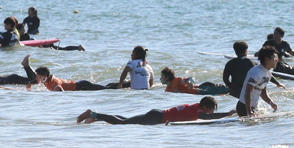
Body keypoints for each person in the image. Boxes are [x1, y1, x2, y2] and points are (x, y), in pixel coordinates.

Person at [76, 96, 232, 125]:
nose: (211, 112)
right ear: (205, 107)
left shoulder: (196, 107)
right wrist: (229, 114)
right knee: (121, 123)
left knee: (126, 120)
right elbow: (207, 118)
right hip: (156, 118)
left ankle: (96, 117)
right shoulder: (197, 111)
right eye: (211, 109)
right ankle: (92, 114)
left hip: (156, 114)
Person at [26, 56, 116, 91]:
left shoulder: (54, 82)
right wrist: (30, 83)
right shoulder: (46, 80)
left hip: (83, 86)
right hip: (80, 85)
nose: (37, 79)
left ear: (44, 76)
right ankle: (118, 85)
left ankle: (123, 85)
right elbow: (37, 81)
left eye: (38, 77)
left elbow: (60, 89)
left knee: (106, 89)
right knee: (104, 87)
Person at [239, 46, 279, 117]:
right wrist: (249, 112)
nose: (277, 60)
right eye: (274, 58)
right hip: (243, 107)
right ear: (267, 59)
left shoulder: (268, 74)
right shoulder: (255, 72)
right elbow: (247, 92)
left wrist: (271, 103)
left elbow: (263, 93)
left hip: (253, 107)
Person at [161, 67, 227, 95]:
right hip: (199, 93)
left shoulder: (177, 81)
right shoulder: (168, 90)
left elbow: (191, 78)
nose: (160, 79)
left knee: (227, 89)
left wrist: (189, 82)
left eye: (162, 76)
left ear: (167, 78)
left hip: (203, 89)